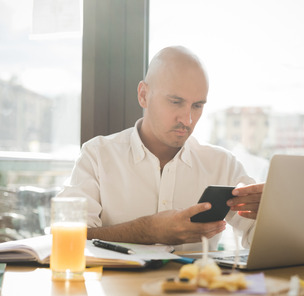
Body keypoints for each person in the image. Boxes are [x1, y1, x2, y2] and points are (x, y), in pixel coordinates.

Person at [58, 46, 264, 251]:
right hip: (120, 284)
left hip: (197, 284)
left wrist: (274, 215)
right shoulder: (97, 155)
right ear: (143, 95)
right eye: (176, 102)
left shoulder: (223, 165)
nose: (187, 119)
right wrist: (146, 231)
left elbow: (261, 237)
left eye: (197, 106)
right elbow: (65, 238)